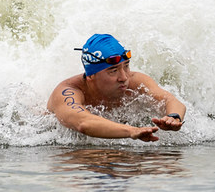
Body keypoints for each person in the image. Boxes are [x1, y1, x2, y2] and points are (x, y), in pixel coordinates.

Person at [47, 34, 186, 142]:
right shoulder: (68, 91)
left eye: (126, 66)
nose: (124, 77)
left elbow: (170, 100)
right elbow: (83, 123)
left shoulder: (135, 81)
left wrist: (173, 116)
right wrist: (131, 131)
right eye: (113, 70)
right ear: (91, 75)